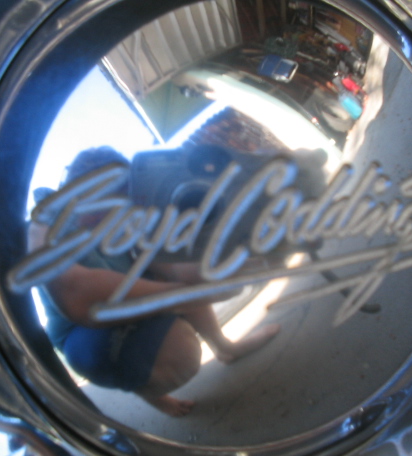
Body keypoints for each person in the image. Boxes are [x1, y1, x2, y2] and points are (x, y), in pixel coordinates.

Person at [30, 147, 280, 417]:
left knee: (178, 279)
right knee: (179, 352)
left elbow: (170, 267)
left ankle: (224, 347)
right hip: (82, 334)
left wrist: (231, 267)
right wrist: (183, 296)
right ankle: (152, 395)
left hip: (123, 301)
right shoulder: (42, 226)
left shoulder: (123, 220)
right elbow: (77, 294)